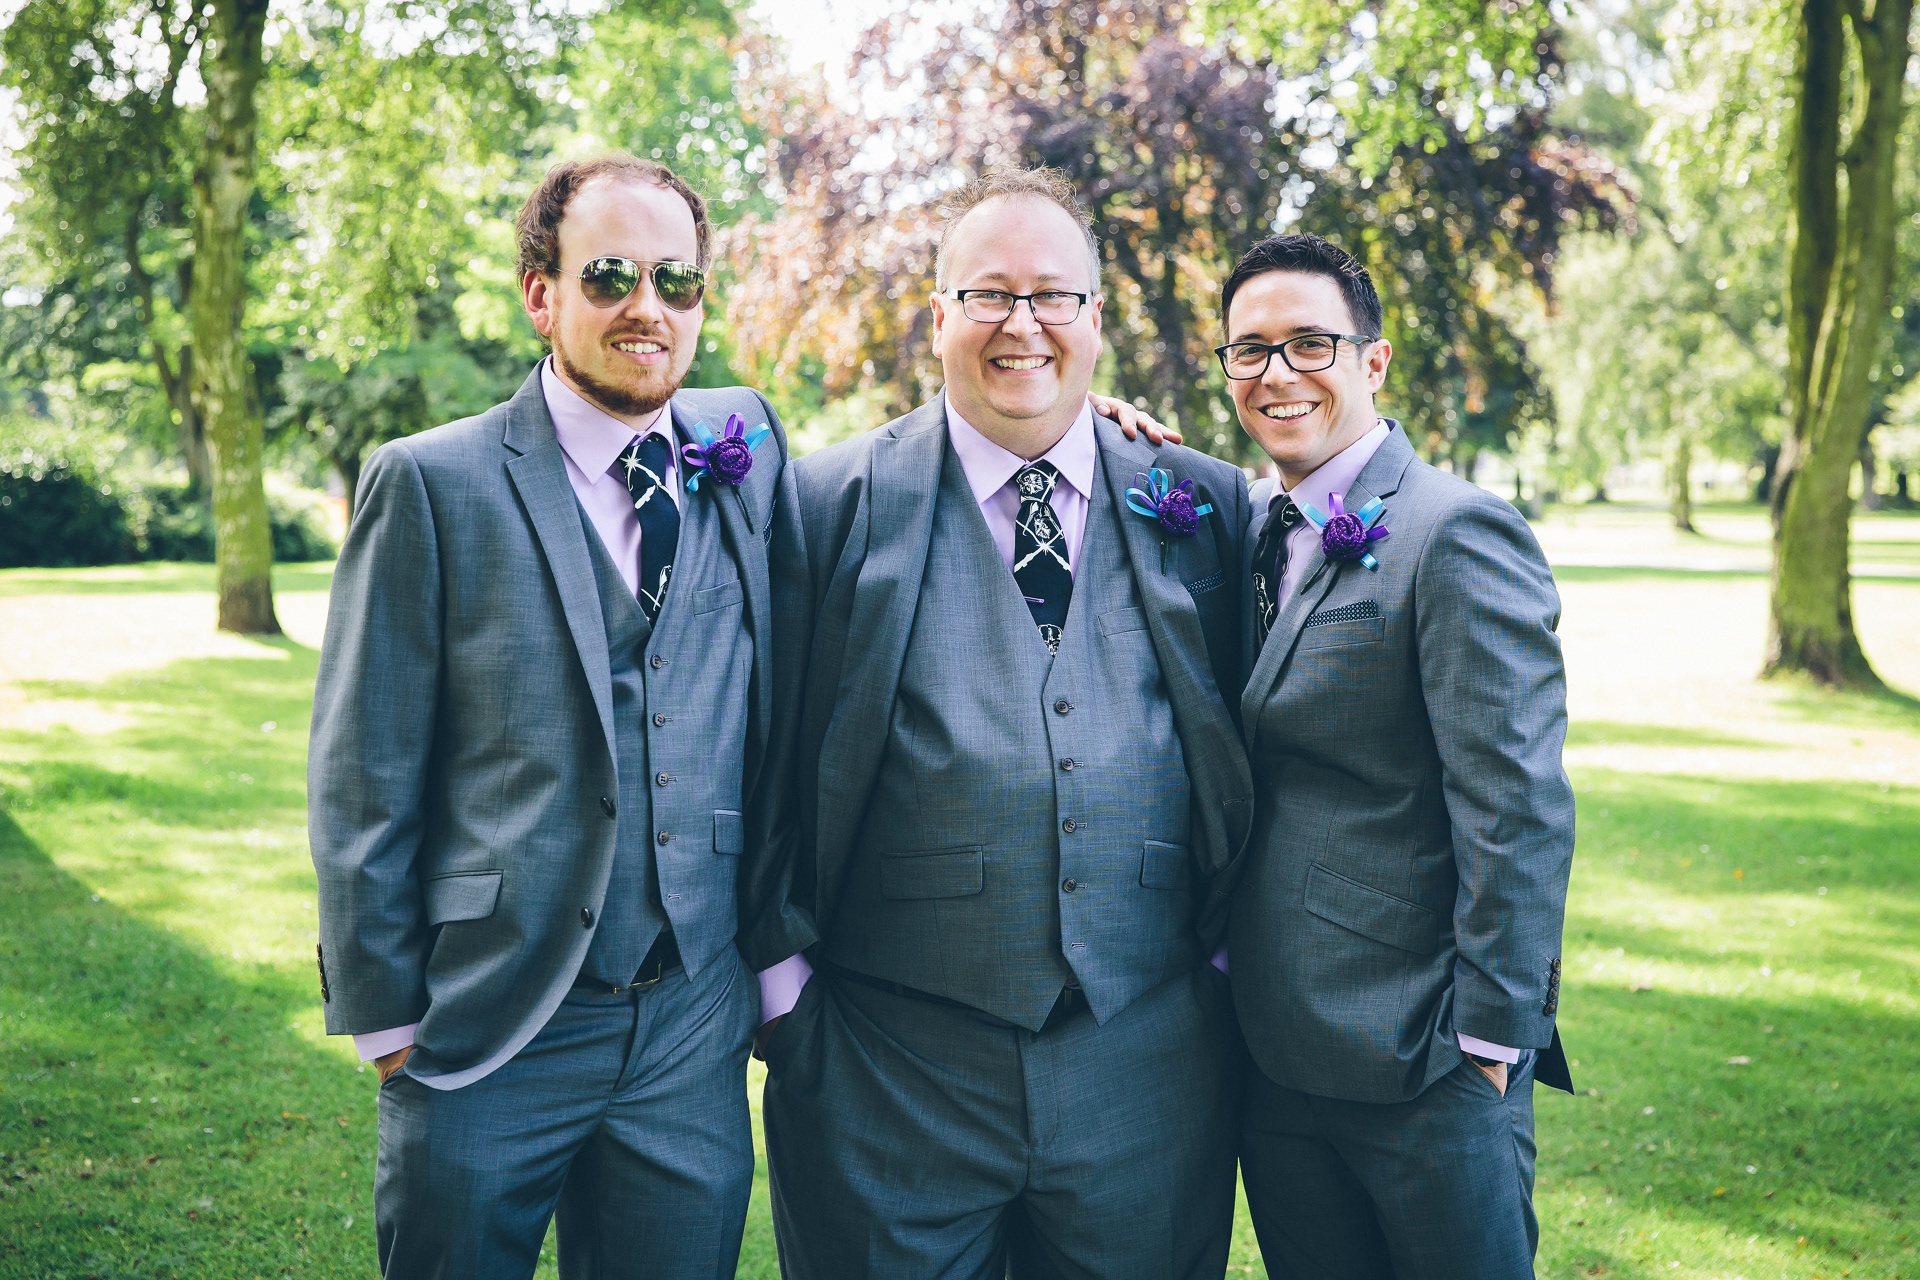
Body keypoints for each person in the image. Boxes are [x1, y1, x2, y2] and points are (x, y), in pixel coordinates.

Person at [309, 150, 1176, 1279]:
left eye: (677, 281)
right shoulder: (432, 482)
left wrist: (1083, 418)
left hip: (691, 1027)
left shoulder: (747, 446)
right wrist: (389, 1027)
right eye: (611, 275)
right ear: (541, 291)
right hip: (489, 1020)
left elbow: (976, 434)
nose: (647, 308)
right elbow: (362, 770)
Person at [755, 167, 1254, 1280]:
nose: (1021, 323)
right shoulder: (822, 502)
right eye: (989, 295)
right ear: (938, 318)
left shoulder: (1201, 502)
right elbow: (757, 744)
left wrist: (1221, 969)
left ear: (1093, 319)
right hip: (885, 1072)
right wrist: (783, 1002)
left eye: (1052, 297)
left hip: (1150, 1068)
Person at [1218, 233, 1576, 1280]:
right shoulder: (1245, 524)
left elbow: (1516, 803)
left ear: (1372, 362)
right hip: (1275, 1063)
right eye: (1250, 350)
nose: (1278, 373)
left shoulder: (1456, 532)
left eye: (1309, 344)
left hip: (1429, 1063)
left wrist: (1492, 1039)